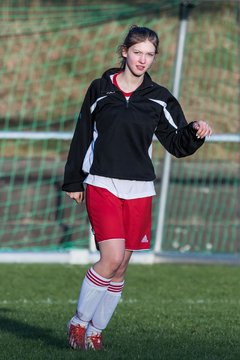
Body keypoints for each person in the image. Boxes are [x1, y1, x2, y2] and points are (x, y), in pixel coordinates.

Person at [62, 25, 212, 351]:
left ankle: (95, 332)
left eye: (149, 54)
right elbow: (82, 133)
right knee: (110, 257)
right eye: (137, 52)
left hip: (140, 189)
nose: (143, 59)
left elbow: (176, 142)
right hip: (102, 182)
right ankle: (78, 322)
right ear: (124, 52)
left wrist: (196, 133)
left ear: (154, 57)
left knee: (121, 265)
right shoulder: (100, 89)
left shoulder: (159, 98)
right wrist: (73, 180)